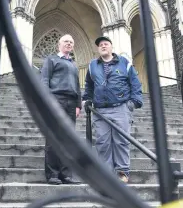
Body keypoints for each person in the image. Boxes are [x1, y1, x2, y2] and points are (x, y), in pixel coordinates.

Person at [82, 36, 143, 183]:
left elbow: (135, 83)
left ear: (111, 47)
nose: (103, 46)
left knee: (121, 141)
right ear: (98, 48)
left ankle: (123, 172)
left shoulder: (124, 63)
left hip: (120, 108)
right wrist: (87, 98)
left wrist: (133, 103)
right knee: (103, 142)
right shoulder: (92, 65)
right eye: (100, 45)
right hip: (100, 110)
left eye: (106, 44)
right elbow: (89, 85)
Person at [41, 34, 81, 185]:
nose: (69, 44)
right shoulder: (51, 60)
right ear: (59, 44)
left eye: (71, 42)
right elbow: (44, 80)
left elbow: (77, 85)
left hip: (71, 103)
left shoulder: (73, 64)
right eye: (66, 41)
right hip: (55, 99)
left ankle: (66, 174)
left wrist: (78, 104)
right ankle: (52, 174)